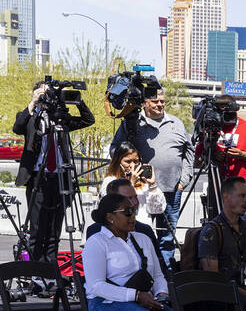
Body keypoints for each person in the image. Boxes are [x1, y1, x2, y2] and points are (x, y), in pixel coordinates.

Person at [13, 79, 95, 265]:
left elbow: (88, 120)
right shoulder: (31, 117)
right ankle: (35, 271)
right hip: (37, 178)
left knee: (54, 228)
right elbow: (17, 127)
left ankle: (51, 269)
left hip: (60, 178)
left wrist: (76, 100)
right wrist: (34, 103)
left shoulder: (61, 119)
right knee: (37, 228)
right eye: (44, 93)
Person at [109, 85, 193, 262]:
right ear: (145, 103)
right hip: (139, 191)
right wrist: (127, 172)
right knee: (138, 232)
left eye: (162, 101)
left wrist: (184, 180)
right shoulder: (132, 123)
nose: (160, 104)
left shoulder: (175, 123)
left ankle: (165, 273)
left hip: (171, 190)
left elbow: (189, 152)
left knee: (167, 237)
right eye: (155, 101)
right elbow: (115, 149)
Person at [197, 177, 246, 310]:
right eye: (242, 196)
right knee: (241, 306)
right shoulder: (212, 230)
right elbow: (214, 279)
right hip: (217, 294)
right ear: (226, 197)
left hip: (239, 290)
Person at [211, 95, 246, 224]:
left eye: (230, 113)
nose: (227, 116)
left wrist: (242, 155)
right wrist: (214, 155)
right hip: (218, 188)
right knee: (218, 227)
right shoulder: (213, 128)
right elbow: (198, 159)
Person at [85, 178, 165, 261]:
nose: (135, 202)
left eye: (136, 197)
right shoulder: (96, 231)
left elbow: (160, 267)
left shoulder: (145, 230)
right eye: (129, 198)